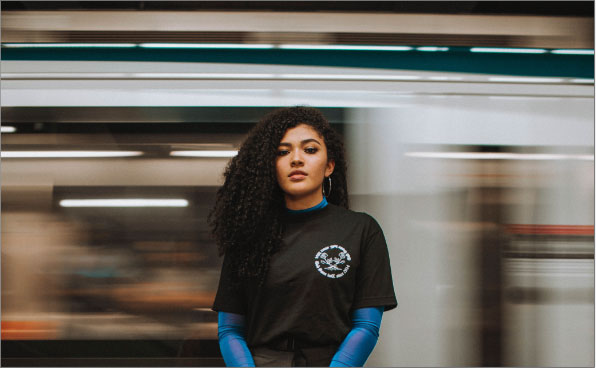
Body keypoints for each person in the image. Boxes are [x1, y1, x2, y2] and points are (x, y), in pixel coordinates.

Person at [210, 106, 397, 367]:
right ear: (270, 167)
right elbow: (230, 330)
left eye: (310, 150)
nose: (296, 159)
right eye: (282, 152)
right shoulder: (249, 233)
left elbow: (366, 326)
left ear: (329, 165)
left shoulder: (361, 230)